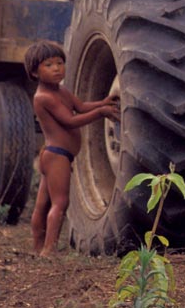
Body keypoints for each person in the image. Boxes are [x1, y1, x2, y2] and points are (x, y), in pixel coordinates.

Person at [24, 40, 120, 255]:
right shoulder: (44, 97)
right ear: (35, 71)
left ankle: (39, 248)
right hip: (56, 155)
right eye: (49, 65)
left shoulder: (61, 91)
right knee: (59, 203)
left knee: (43, 203)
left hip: (58, 155)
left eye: (60, 63)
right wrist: (101, 113)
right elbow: (70, 121)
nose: (57, 68)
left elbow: (82, 106)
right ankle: (48, 250)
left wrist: (102, 102)